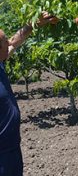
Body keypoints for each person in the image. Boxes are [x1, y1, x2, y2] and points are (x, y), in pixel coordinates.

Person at [0, 12, 58, 176]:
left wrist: (34, 24)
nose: (9, 42)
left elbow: (15, 42)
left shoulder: (0, 64)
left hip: (13, 149)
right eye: (5, 42)